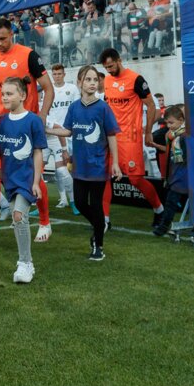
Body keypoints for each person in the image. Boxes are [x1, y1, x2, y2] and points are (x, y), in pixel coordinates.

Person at [0, 18, 54, 251]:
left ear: (12, 35)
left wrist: (41, 118)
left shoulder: (28, 55)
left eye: (3, 38)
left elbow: (48, 89)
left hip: (25, 127)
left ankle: (45, 222)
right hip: (0, 125)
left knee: (32, 176)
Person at [0, 77, 48, 284]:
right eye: (3, 94)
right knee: (17, 218)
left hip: (27, 179)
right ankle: (25, 261)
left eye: (9, 94)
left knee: (19, 215)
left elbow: (38, 153)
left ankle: (25, 263)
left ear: (23, 96)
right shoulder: (1, 121)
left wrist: (36, 182)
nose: (5, 97)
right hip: (9, 179)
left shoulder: (33, 121)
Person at [98, 48, 164, 230]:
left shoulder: (136, 79)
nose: (109, 70)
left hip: (130, 138)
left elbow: (151, 106)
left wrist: (149, 131)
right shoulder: (108, 81)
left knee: (135, 180)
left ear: (119, 60)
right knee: (105, 177)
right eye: (106, 68)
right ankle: (104, 220)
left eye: (111, 66)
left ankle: (159, 210)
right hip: (111, 137)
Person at [65, 65, 121, 261]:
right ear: (79, 82)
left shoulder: (103, 107)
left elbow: (112, 135)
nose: (92, 83)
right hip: (80, 166)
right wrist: (50, 130)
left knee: (96, 205)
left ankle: (98, 246)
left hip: (98, 165)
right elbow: (68, 131)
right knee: (80, 203)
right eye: (87, 79)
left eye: (95, 80)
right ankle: (100, 226)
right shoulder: (73, 108)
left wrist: (115, 163)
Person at [46, 63, 80, 211]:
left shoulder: (71, 89)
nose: (57, 76)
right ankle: (63, 199)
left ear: (64, 74)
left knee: (66, 169)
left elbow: (77, 108)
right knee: (55, 170)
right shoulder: (48, 91)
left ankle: (74, 199)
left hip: (67, 133)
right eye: (54, 74)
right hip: (51, 134)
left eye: (59, 73)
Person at [151, 105, 188, 236]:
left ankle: (164, 226)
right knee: (171, 201)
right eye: (166, 123)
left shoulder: (184, 136)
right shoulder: (171, 135)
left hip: (185, 173)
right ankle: (164, 226)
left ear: (181, 120)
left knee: (174, 201)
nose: (169, 125)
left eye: (171, 122)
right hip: (176, 173)